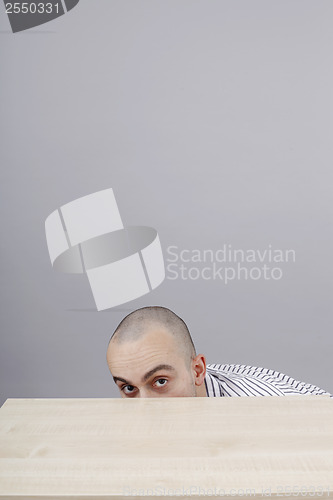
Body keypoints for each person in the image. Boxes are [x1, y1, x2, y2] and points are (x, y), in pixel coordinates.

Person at [106, 306, 332, 399]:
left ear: (197, 371)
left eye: (160, 382)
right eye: (129, 388)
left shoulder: (259, 406)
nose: (144, 406)